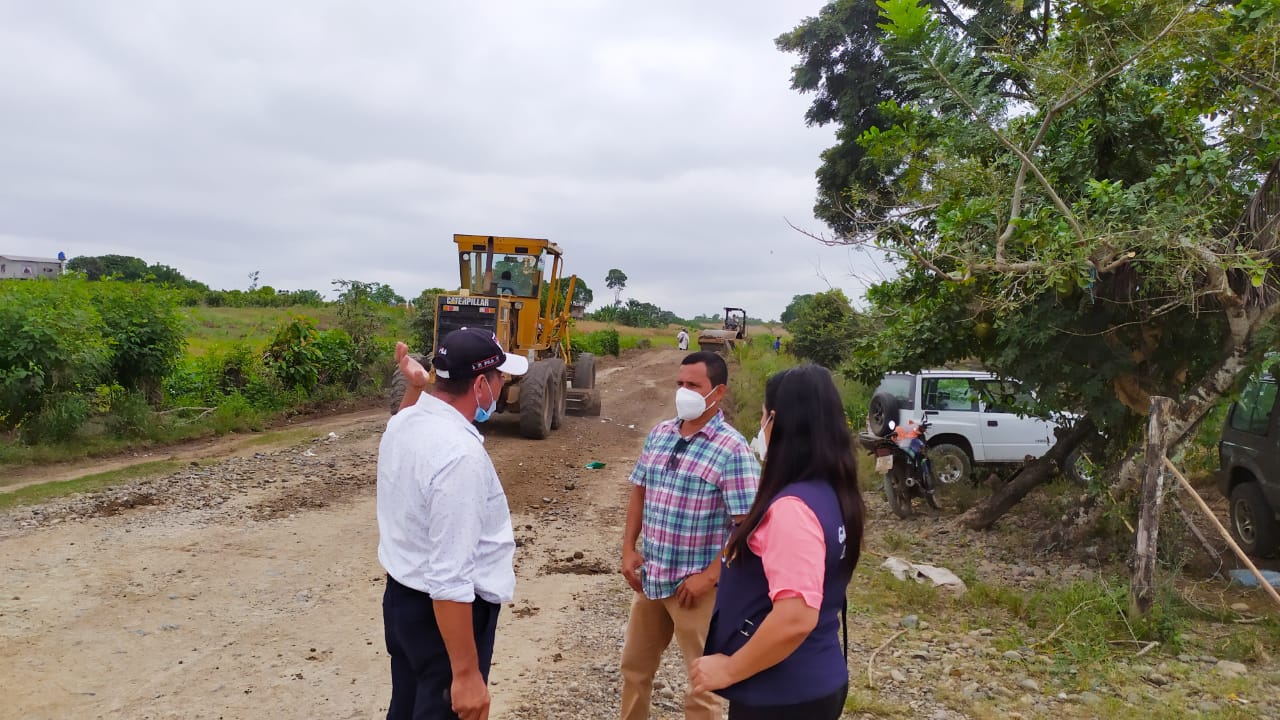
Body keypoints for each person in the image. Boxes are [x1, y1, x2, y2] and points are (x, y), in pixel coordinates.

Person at [690, 365, 865, 720]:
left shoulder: (792, 510)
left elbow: (795, 617)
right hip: (814, 679)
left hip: (781, 694)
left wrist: (730, 669)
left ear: (777, 422)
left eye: (763, 416)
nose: (760, 426)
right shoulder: (834, 493)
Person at [377, 327, 529, 720]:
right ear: (480, 384)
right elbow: (449, 575)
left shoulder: (405, 423)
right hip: (443, 618)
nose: (501, 388)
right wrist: (465, 674)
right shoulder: (459, 455)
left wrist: (415, 387)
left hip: (402, 601)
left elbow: (404, 416)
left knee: (406, 705)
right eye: (499, 378)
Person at [620, 351, 761, 720]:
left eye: (693, 385)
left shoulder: (733, 449)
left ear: (718, 392)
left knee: (703, 685)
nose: (683, 392)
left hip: (696, 590)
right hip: (653, 578)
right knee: (634, 668)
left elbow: (747, 524)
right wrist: (629, 549)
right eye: (680, 384)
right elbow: (639, 492)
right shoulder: (660, 435)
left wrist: (710, 576)